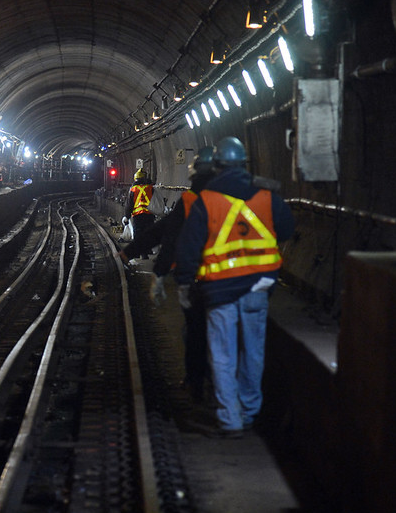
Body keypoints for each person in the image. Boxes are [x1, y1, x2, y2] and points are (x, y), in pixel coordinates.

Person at [173, 137, 294, 438]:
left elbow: (189, 246)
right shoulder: (266, 195)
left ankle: (230, 419)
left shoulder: (206, 200)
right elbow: (287, 229)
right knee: (253, 352)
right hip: (259, 287)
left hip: (220, 290)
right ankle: (249, 411)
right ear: (243, 164)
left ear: (216, 166)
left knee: (222, 354)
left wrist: (184, 283)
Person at [119, 147, 216, 402]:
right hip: (240, 282)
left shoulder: (191, 201)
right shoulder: (241, 199)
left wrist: (156, 269)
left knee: (195, 332)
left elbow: (169, 234)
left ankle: (197, 383)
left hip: (200, 280)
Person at [123, 169, 156, 258]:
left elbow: (129, 204)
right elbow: (156, 201)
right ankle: (147, 251)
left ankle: (138, 253)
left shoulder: (133, 189)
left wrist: (127, 216)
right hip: (149, 214)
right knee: (148, 234)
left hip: (138, 215)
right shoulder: (151, 188)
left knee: (138, 234)